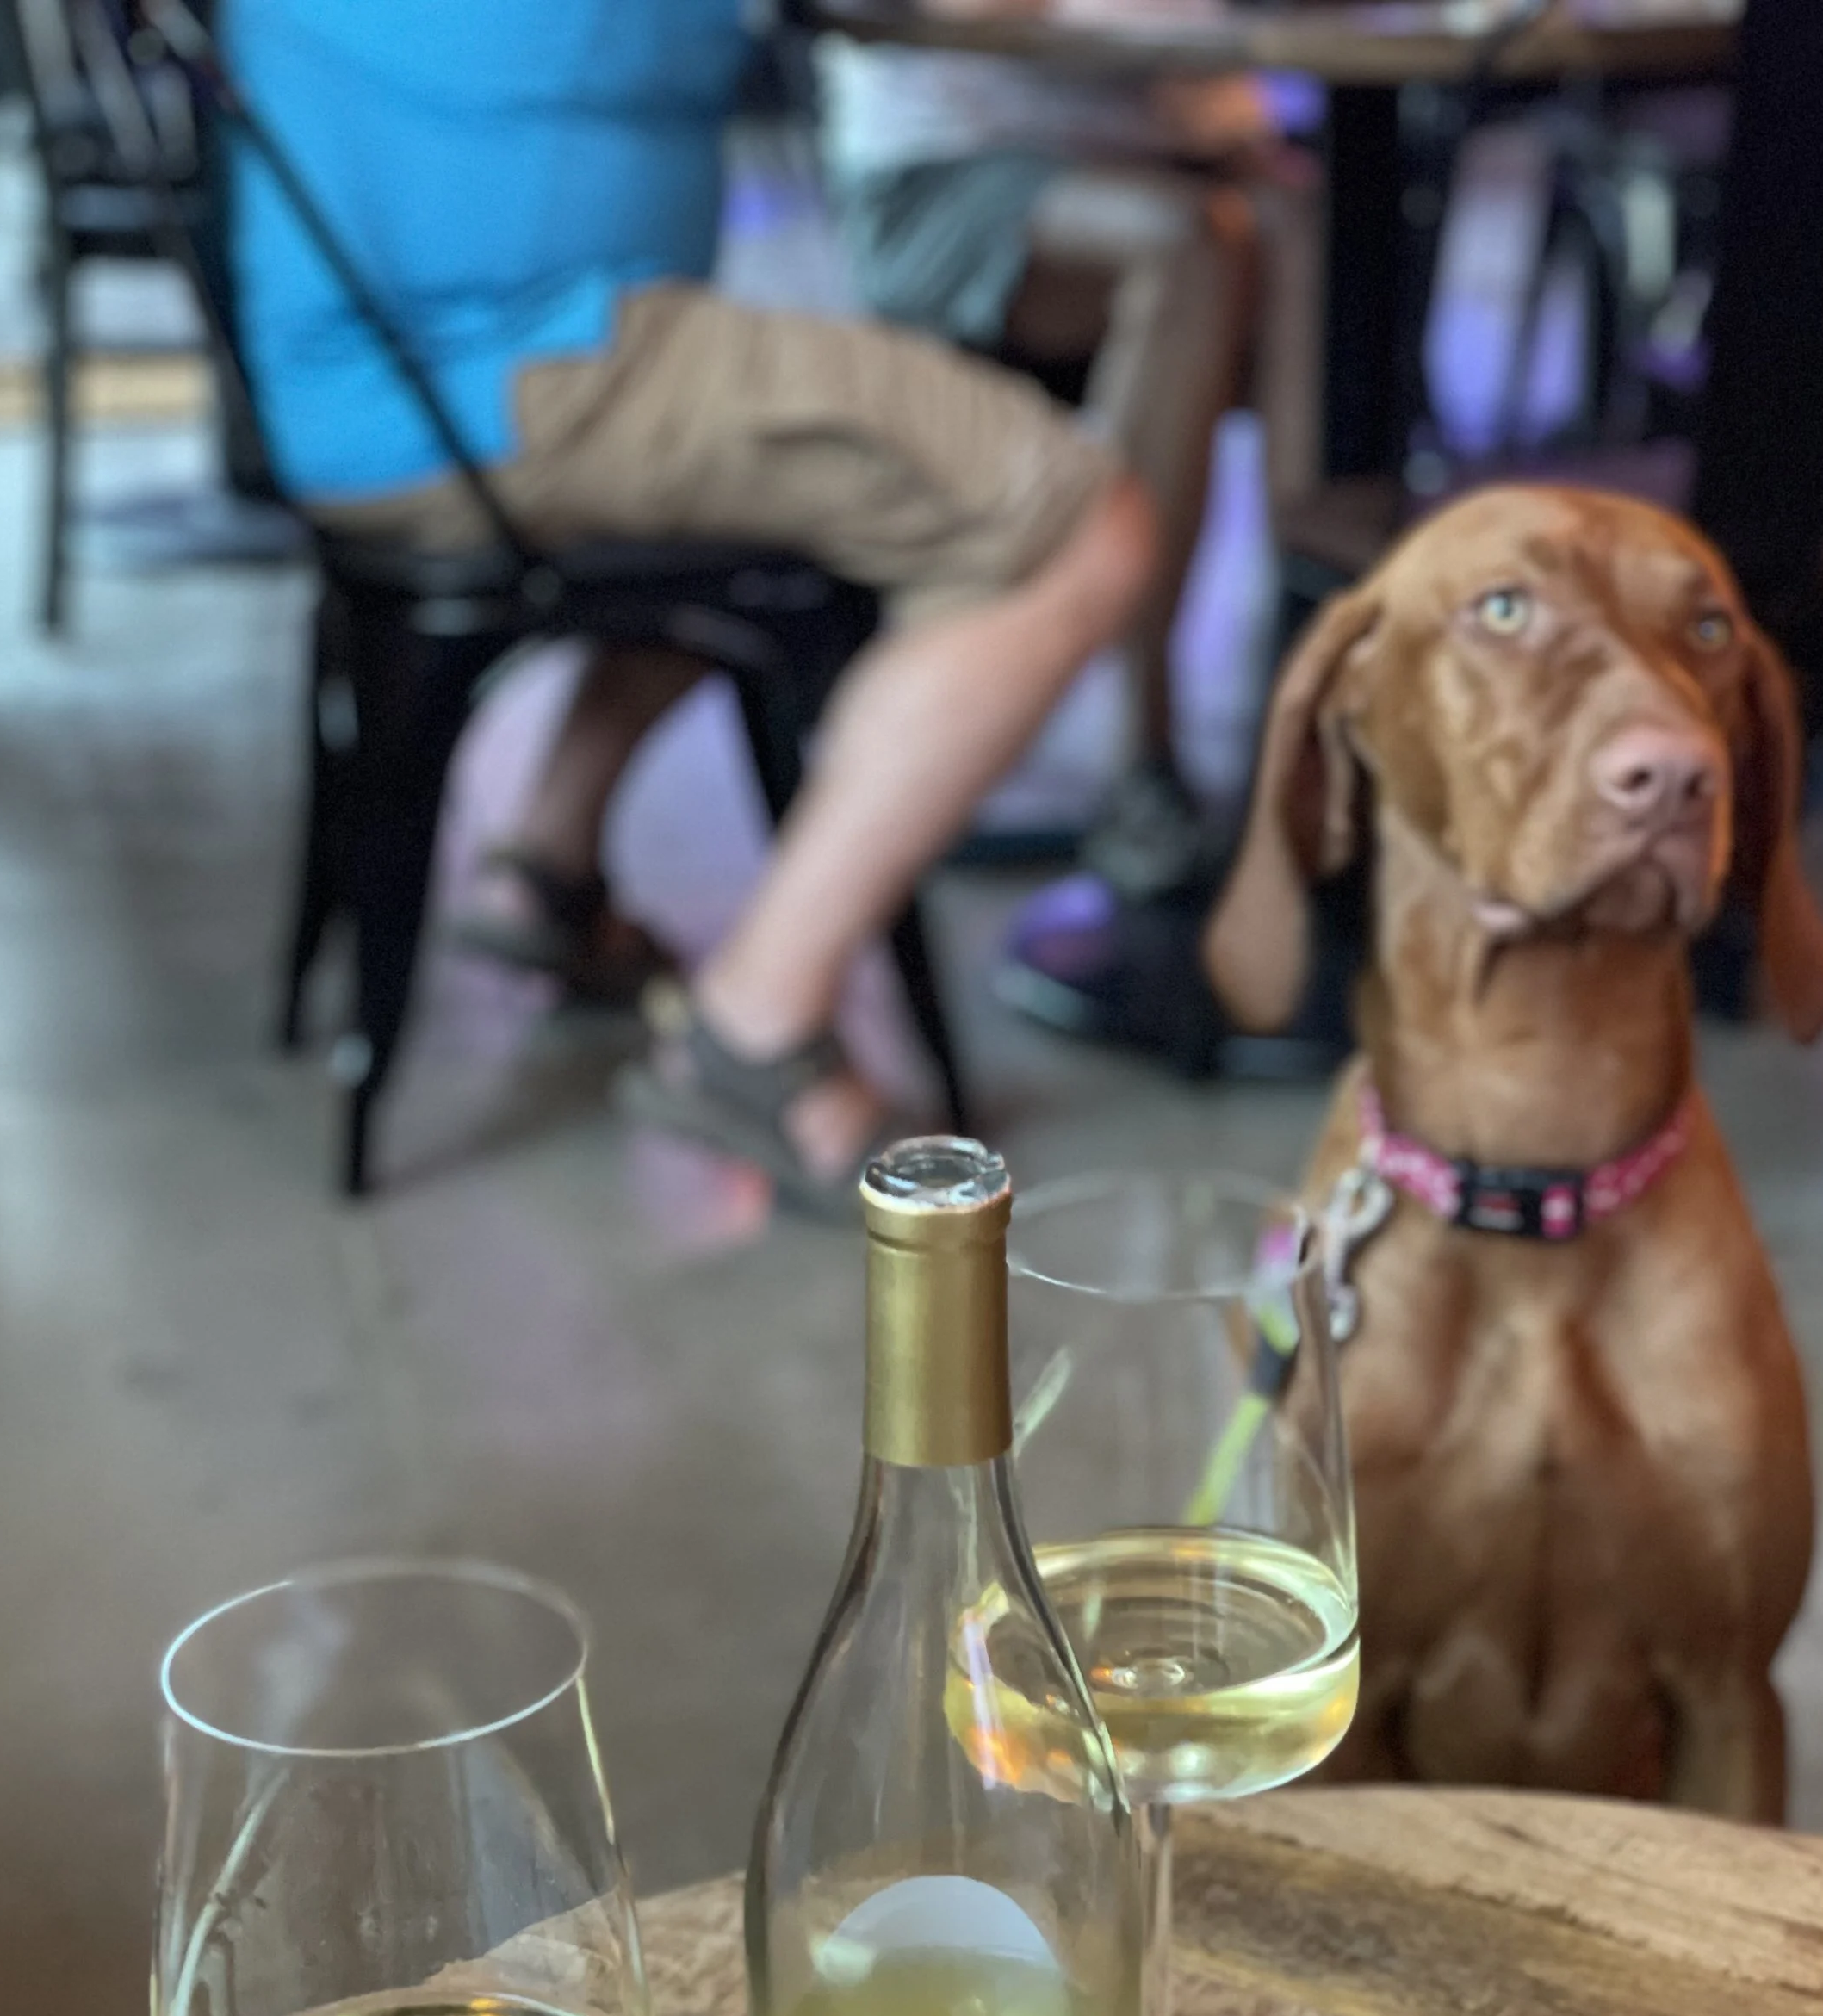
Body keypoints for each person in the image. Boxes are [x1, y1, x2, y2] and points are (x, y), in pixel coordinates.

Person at [225, 0, 1155, 1217]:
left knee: (795, 493)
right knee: (1082, 522)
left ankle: (551, 860)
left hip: (421, 355)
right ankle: (755, 1031)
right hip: (498, 361)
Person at [819, 36, 1315, 901]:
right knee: (1195, 245)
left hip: (1198, 144)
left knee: (1323, 241)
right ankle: (1141, 747)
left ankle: (1314, 731)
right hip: (960, 162)